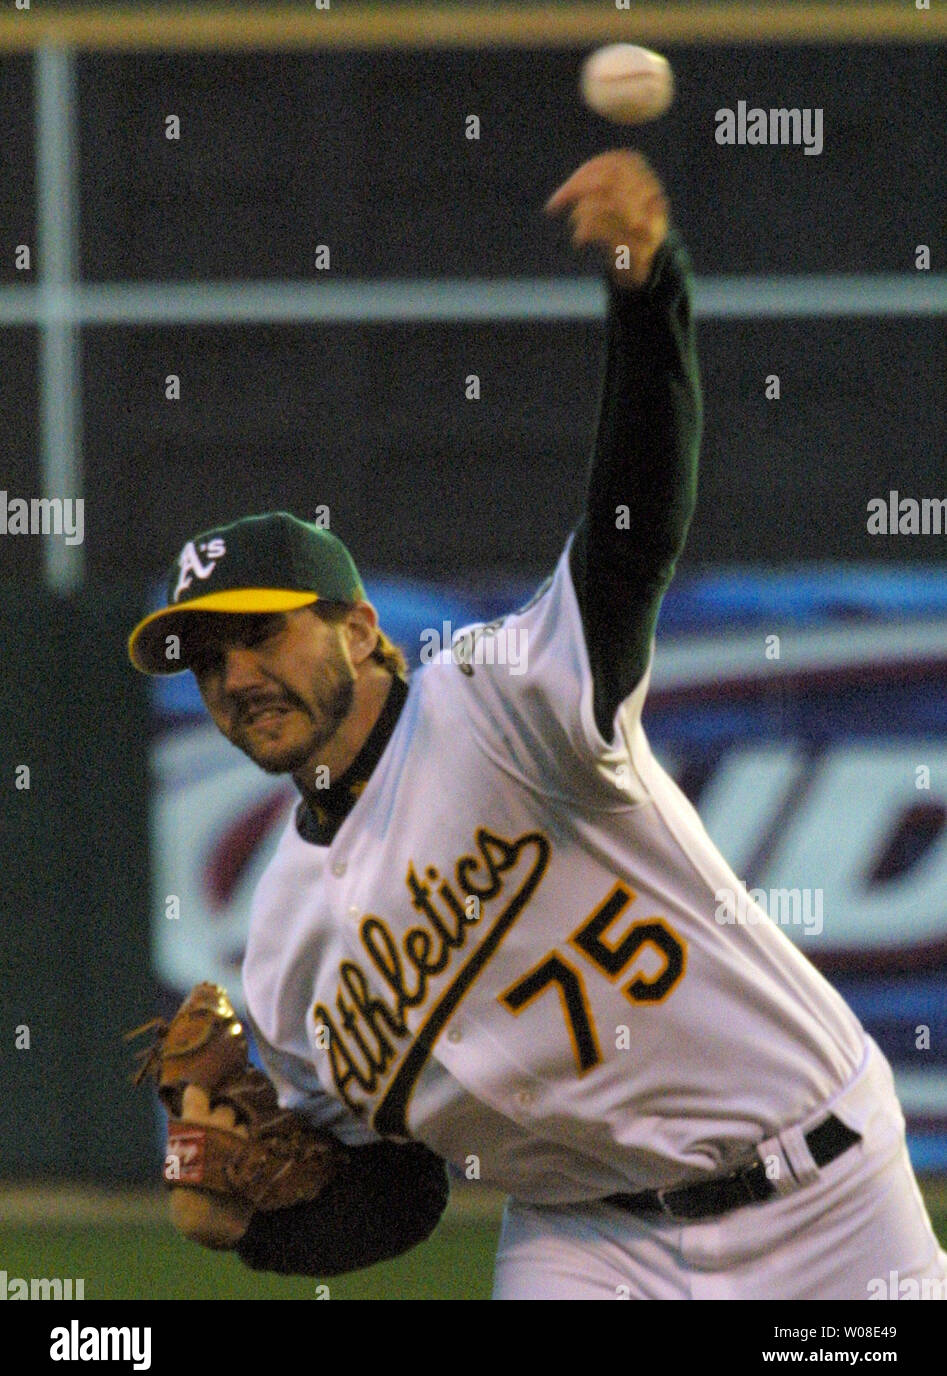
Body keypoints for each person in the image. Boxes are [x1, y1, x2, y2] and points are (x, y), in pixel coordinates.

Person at [128, 150, 946, 1299]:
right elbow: (395, 1194)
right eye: (205, 659)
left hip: (821, 1191)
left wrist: (645, 291)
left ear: (362, 629)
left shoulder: (499, 705)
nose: (235, 675)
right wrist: (247, 1230)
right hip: (585, 1240)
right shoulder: (279, 947)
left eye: (262, 633)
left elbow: (628, 537)